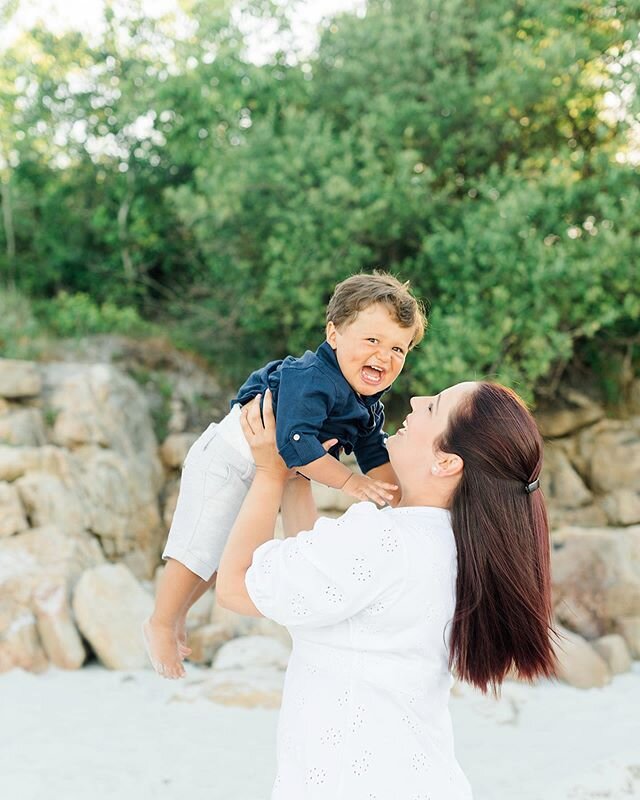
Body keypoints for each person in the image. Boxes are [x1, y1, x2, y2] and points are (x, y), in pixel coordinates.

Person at [216, 381, 557, 800]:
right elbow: (316, 594)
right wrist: (296, 474)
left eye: (432, 408)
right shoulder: (456, 545)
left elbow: (236, 586)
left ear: (446, 462)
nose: (415, 401)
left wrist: (268, 473)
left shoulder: (381, 540)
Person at [144, 273, 427, 678]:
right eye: (372, 341)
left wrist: (401, 500)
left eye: (398, 348)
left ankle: (177, 616)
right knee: (198, 546)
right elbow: (294, 444)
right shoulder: (311, 378)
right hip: (226, 458)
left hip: (260, 471)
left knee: (219, 557)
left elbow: (374, 455)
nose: (384, 356)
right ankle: (159, 620)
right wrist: (349, 483)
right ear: (334, 334)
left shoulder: (367, 406)